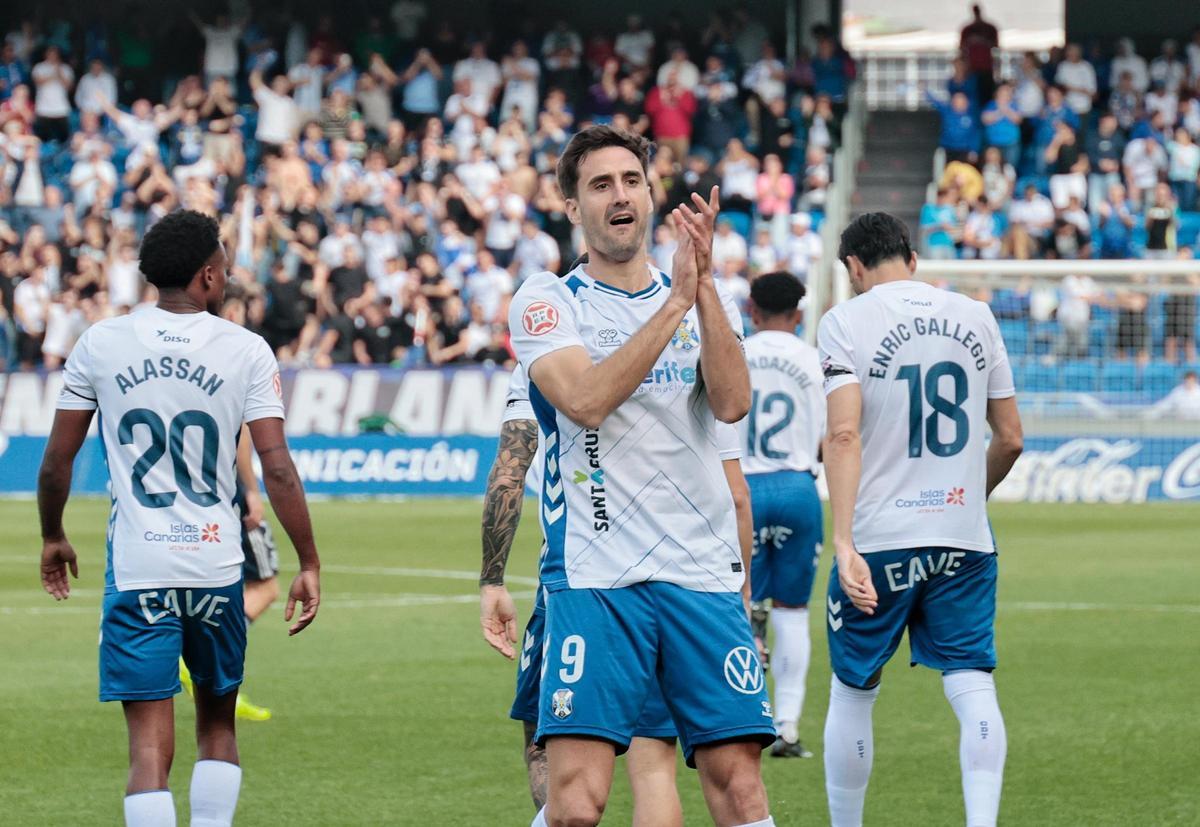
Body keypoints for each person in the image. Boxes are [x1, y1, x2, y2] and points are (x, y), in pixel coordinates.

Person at [506, 125, 776, 827]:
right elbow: (586, 400)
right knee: (576, 803)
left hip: (700, 573)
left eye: (631, 180)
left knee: (740, 789)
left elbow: (733, 401)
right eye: (600, 184)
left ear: (653, 195)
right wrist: (676, 305)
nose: (619, 195)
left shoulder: (697, 292)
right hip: (599, 579)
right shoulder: (548, 299)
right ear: (574, 208)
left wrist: (705, 286)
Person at [37, 210, 321, 827]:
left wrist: (53, 534)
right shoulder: (245, 349)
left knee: (146, 750)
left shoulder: (102, 341)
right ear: (208, 275)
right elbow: (277, 466)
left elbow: (58, 460)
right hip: (216, 565)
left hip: (140, 568)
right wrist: (308, 560)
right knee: (217, 725)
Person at [817, 213, 1023, 827]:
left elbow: (844, 431)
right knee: (972, 685)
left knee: (854, 690)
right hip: (963, 539)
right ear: (911, 255)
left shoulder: (845, 321)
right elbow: (1010, 439)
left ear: (853, 267)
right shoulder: (976, 316)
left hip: (880, 539)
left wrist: (844, 539)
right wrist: (963, 497)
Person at [739, 272, 826, 759]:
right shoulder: (814, 362)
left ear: (751, 310)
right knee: (793, 611)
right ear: (799, 314)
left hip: (742, 490)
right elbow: (829, 434)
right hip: (797, 487)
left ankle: (743, 718)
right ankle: (787, 727)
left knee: (738, 603)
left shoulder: (736, 354)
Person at [178, 424, 280, 722]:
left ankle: (206, 670)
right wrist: (250, 490)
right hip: (226, 490)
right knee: (265, 587)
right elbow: (242, 434)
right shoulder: (237, 377)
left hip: (183, 494)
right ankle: (202, 663)